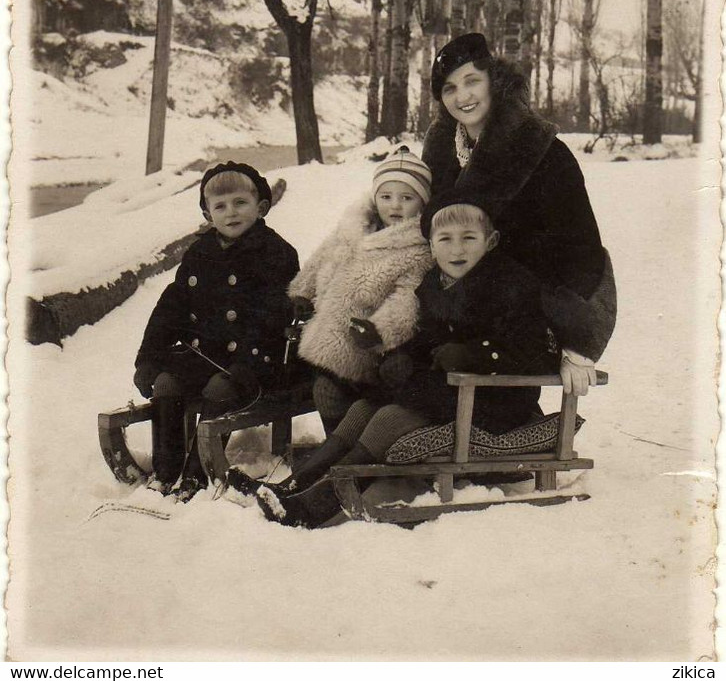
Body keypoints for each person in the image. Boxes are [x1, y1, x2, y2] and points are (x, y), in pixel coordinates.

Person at [236, 190, 559, 529]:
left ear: (490, 242)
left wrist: (474, 354)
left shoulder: (510, 285)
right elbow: (427, 339)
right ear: (431, 246)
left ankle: (317, 504)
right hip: (448, 390)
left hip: (495, 397)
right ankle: (293, 484)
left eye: (469, 238)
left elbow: (536, 352)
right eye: (445, 239)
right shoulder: (435, 284)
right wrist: (403, 356)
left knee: (389, 416)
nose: (457, 249)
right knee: (363, 408)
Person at [421, 31, 616, 394]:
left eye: (471, 81)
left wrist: (577, 341)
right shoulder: (440, 153)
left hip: (523, 318)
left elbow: (583, 249)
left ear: (493, 82)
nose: (462, 97)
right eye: (449, 88)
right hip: (452, 313)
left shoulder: (544, 153)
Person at [133, 160, 300, 501]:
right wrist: (149, 358)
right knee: (166, 382)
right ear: (208, 215)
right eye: (220, 206)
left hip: (256, 360)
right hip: (204, 353)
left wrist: (245, 365)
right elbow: (172, 308)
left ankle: (197, 474)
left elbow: (273, 316)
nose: (231, 213)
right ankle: (166, 469)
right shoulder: (200, 252)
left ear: (261, 206)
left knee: (218, 388)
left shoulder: (275, 253)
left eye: (241, 203)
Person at [279, 145, 434, 435]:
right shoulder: (353, 227)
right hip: (323, 333)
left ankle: (344, 456)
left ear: (422, 204)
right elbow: (321, 258)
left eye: (407, 198)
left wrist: (381, 330)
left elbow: (408, 299)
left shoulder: (418, 248)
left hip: (366, 346)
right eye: (386, 197)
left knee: (334, 394)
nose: (395, 206)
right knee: (321, 389)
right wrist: (301, 291)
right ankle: (336, 452)